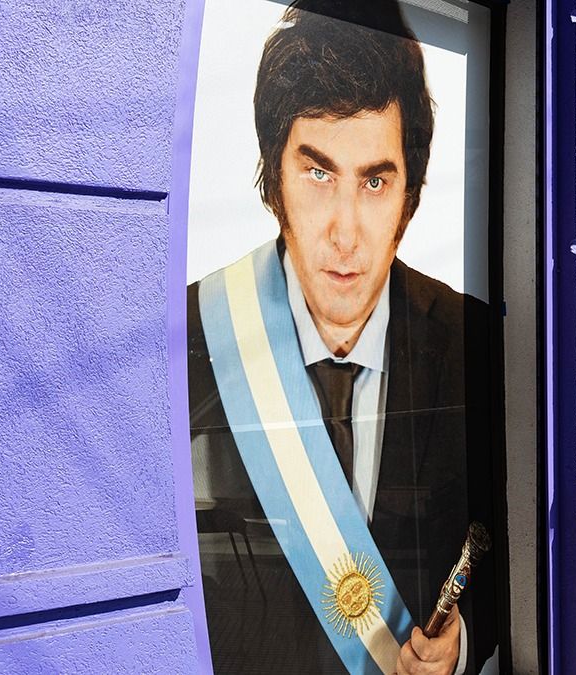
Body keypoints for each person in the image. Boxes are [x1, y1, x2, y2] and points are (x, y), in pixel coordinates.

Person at [187, 2, 495, 673]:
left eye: (375, 180)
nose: (345, 233)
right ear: (274, 177)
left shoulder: (473, 340)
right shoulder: (188, 339)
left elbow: (512, 530)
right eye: (318, 172)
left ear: (410, 195)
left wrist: (462, 640)